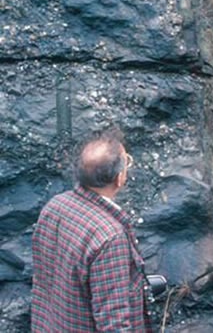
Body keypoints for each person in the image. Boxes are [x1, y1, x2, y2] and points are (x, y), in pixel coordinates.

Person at [31, 129, 154, 332]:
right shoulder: (109, 238)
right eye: (127, 162)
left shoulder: (55, 206)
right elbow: (113, 323)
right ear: (119, 178)